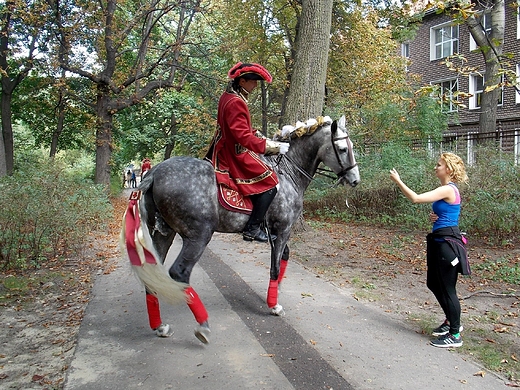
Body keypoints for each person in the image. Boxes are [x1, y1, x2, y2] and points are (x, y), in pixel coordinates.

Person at [390, 152, 470, 348]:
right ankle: (450, 321)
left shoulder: (449, 189)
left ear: (448, 169)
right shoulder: (446, 190)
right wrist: (437, 217)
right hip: (438, 240)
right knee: (434, 283)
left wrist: (398, 181)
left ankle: (455, 334)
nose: (436, 167)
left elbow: (416, 198)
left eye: (439, 164)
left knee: (447, 287)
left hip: (447, 244)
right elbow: (446, 212)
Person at [205, 62, 290, 243]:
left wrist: (264, 137)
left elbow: (241, 129)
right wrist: (272, 147)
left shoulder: (228, 96)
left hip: (225, 145)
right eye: (253, 81)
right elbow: (242, 137)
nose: (256, 85)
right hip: (234, 152)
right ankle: (252, 228)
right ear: (242, 81)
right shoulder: (236, 102)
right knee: (271, 181)